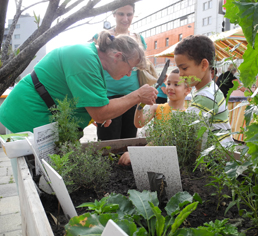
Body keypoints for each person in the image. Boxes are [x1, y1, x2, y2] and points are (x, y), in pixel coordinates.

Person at [0, 30, 157, 185]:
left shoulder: (91, 60)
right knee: (33, 183)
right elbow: (100, 113)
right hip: (26, 119)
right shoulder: (85, 58)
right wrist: (137, 96)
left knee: (47, 182)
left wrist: (93, 114)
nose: (130, 74)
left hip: (40, 124)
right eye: (131, 68)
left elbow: (86, 102)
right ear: (117, 57)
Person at [96, 3, 149, 141]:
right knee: (108, 142)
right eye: (121, 14)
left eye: (129, 14)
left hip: (133, 94)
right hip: (108, 96)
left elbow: (142, 66)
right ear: (114, 14)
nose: (125, 18)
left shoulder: (139, 38)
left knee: (129, 141)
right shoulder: (103, 36)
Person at [118, 68, 191, 165]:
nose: (170, 87)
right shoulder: (157, 108)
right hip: (154, 152)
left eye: (176, 84)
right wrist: (140, 106)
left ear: (187, 90)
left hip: (174, 157)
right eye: (168, 83)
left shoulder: (189, 114)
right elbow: (139, 124)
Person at [174, 35, 234, 146]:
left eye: (184, 68)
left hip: (217, 159)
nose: (180, 74)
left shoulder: (206, 97)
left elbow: (183, 134)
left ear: (204, 65)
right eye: (179, 69)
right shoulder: (208, 90)